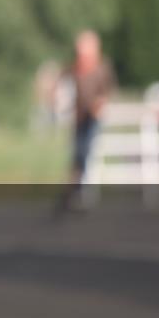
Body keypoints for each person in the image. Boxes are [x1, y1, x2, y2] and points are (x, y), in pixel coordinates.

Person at [56, 30, 115, 214]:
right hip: (79, 116)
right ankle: (73, 190)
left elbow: (108, 91)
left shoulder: (101, 67)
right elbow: (62, 81)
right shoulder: (75, 67)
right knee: (77, 153)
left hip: (93, 117)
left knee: (86, 152)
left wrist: (100, 103)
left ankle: (81, 190)